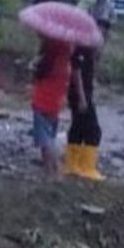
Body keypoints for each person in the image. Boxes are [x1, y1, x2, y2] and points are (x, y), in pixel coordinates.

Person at [64, 17, 109, 181]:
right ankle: (87, 167)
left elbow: (91, 71)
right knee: (93, 130)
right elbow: (76, 73)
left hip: (83, 92)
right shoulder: (82, 47)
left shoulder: (90, 48)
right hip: (79, 94)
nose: (103, 34)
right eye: (101, 30)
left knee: (78, 128)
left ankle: (72, 165)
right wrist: (82, 98)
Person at [31, 38, 73, 177]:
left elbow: (37, 75)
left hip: (42, 101)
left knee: (45, 140)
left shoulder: (47, 58)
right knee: (50, 136)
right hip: (56, 103)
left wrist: (35, 63)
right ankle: (50, 170)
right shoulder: (65, 60)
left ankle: (54, 170)